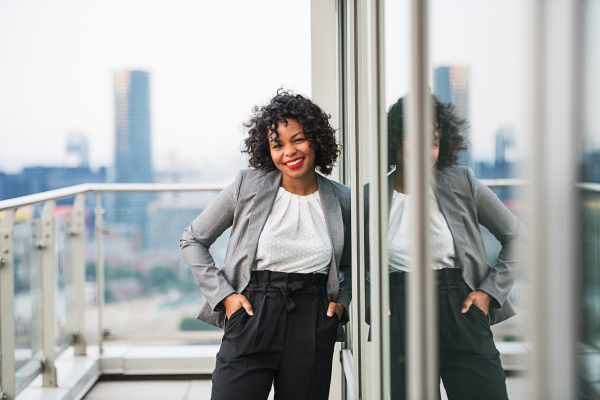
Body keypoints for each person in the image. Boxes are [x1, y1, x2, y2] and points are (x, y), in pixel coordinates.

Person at [179, 89, 351, 400]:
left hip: (312, 319)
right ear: (266, 149)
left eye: (298, 139)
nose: (289, 152)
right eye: (278, 145)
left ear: (316, 139)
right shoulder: (248, 185)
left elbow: (355, 264)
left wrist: (342, 303)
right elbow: (193, 239)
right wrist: (226, 297)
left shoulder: (342, 200)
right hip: (253, 311)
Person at [367, 94, 527, 400]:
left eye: (434, 140)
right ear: (394, 140)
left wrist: (490, 292)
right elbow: (353, 262)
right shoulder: (370, 196)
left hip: (460, 305)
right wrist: (371, 298)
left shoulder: (462, 182)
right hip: (400, 309)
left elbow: (518, 236)